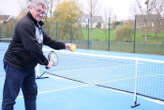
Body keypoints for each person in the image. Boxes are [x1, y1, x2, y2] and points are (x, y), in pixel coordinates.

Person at [2, 0, 75, 110]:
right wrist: (46, 62)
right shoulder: (25, 24)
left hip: (29, 68)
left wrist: (65, 45)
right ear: (31, 8)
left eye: (43, 12)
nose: (41, 14)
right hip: (15, 66)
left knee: (31, 96)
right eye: (38, 11)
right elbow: (32, 48)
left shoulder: (37, 27)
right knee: (9, 100)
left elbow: (50, 41)